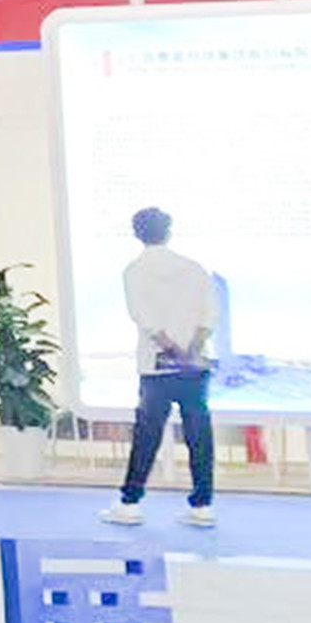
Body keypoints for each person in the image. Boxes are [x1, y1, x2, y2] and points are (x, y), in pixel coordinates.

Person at [113, 205, 220, 525]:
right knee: (199, 435)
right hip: (195, 368)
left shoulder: (134, 271)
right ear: (169, 232)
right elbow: (210, 315)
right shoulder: (194, 268)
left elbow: (143, 318)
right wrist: (191, 350)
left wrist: (171, 349)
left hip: (155, 368)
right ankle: (202, 506)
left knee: (146, 436)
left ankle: (130, 503)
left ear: (136, 234)